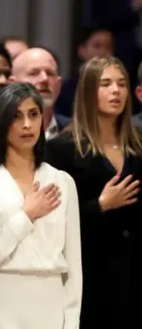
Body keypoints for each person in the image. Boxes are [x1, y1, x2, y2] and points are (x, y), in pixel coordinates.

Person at [0, 82, 82, 329]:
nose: (27, 124)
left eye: (33, 114)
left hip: (50, 301)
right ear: (0, 122)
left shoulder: (62, 181)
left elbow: (74, 266)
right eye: (16, 116)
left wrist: (71, 321)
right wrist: (25, 216)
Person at [47, 56, 142, 329]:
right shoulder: (62, 149)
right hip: (91, 273)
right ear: (89, 91)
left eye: (122, 84)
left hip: (133, 272)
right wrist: (99, 205)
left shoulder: (138, 145)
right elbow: (54, 220)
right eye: (106, 84)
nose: (116, 91)